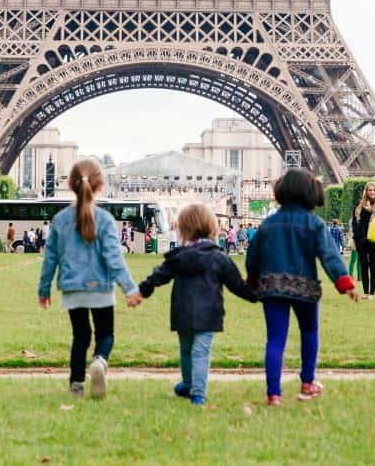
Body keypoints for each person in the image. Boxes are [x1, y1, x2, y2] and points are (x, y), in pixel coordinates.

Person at [245, 169, 359, 405]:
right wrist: (344, 282)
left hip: (273, 287)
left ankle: (273, 394)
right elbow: (330, 256)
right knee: (309, 332)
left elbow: (252, 257)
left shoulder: (267, 224)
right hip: (305, 287)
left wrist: (253, 281)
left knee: (275, 339)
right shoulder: (314, 223)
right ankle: (307, 383)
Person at [37, 159, 141, 399]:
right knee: (106, 334)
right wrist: (130, 289)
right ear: (100, 186)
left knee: (80, 337)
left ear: (71, 186)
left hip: (73, 289)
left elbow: (49, 259)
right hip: (101, 288)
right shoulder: (104, 220)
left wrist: (43, 290)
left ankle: (76, 386)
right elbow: (114, 258)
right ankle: (100, 360)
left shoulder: (60, 219)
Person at [138, 203, 257, 406]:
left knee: (186, 350)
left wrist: (143, 290)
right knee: (201, 352)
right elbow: (237, 285)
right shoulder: (219, 258)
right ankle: (198, 394)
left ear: (184, 229)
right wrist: (257, 295)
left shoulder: (179, 257)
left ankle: (188, 383)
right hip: (209, 313)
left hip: (182, 311)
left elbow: (160, 275)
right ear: (212, 226)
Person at [351, 182, 375, 300]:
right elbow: (354, 221)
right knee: (363, 265)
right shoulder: (359, 205)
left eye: (374, 190)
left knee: (373, 265)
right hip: (361, 239)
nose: (372, 192)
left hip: (374, 239)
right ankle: (365, 292)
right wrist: (356, 234)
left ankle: (372, 293)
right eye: (370, 190)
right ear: (366, 191)